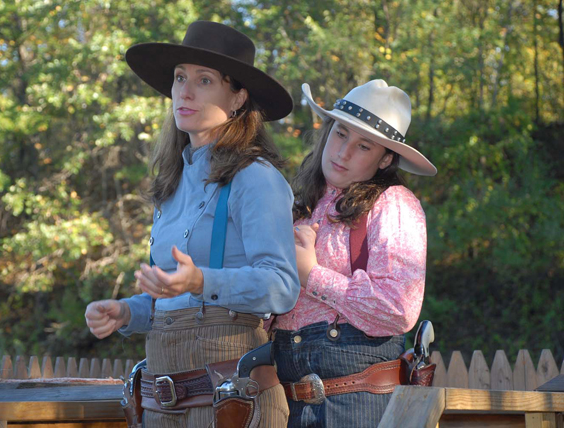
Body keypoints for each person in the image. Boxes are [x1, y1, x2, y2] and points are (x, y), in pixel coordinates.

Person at [84, 21, 300, 427]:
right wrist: (128, 312)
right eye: (180, 77)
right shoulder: (170, 182)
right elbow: (174, 299)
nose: (184, 91)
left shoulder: (256, 177)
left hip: (233, 403)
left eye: (204, 80)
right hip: (162, 402)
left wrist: (202, 281)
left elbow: (283, 288)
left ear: (237, 97)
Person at [272, 80, 437, 427]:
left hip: (358, 405)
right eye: (341, 133)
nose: (343, 152)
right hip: (289, 405)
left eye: (363, 146)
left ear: (385, 159)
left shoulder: (393, 204)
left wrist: (311, 276)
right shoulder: (300, 207)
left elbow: (396, 308)